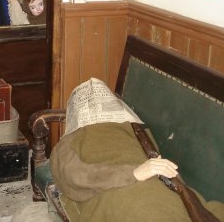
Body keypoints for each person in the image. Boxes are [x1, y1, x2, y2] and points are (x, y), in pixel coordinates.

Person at [50, 78, 224, 222]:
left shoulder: (135, 130)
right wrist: (133, 173)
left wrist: (181, 188)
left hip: (159, 187)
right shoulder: (69, 141)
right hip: (117, 193)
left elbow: (158, 162)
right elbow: (74, 176)